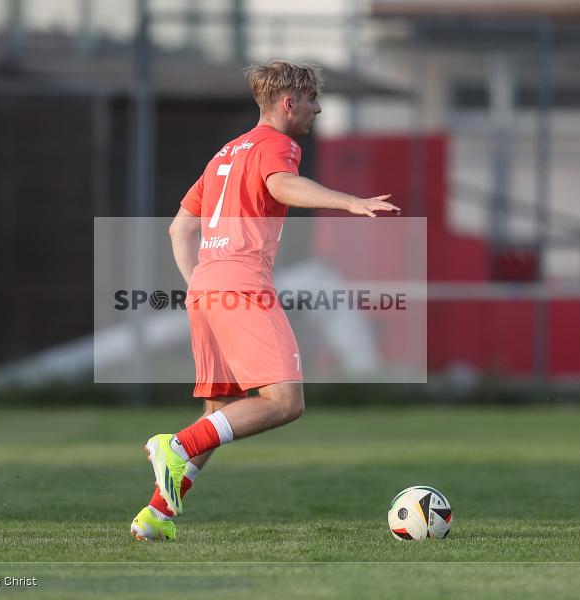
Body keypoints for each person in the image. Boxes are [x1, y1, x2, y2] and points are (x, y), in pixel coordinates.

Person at [130, 60, 399, 541]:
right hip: (241, 285)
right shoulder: (279, 146)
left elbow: (180, 228)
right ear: (288, 102)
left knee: (221, 413)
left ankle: (156, 515)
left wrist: (201, 281)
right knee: (283, 401)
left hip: (207, 288)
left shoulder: (224, 154)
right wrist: (349, 202)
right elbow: (281, 185)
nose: (318, 109)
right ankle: (173, 445)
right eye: (313, 100)